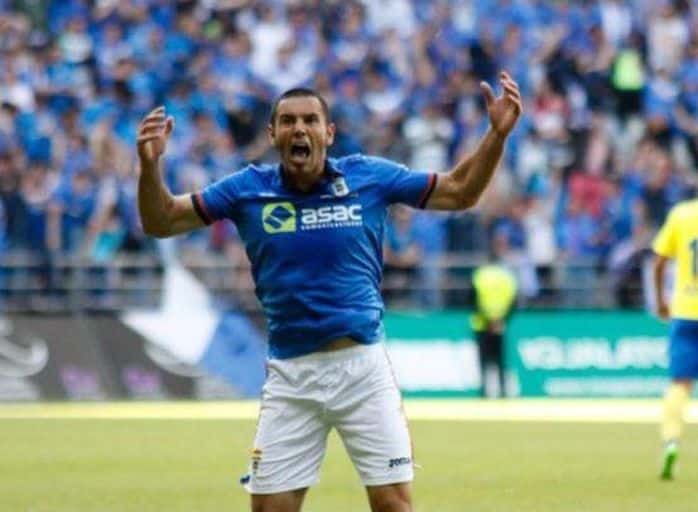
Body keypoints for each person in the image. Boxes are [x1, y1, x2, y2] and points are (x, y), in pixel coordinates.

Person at [136, 72, 522, 512]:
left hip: (363, 372)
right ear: (273, 134)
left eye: (310, 120)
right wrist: (150, 167)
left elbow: (459, 192)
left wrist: (496, 135)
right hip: (291, 376)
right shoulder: (246, 188)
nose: (299, 129)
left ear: (329, 132)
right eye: (288, 121)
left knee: (394, 505)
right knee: (270, 509)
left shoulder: (369, 178)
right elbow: (160, 221)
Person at [652, 195, 698, 480]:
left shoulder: (681, 214)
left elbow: (658, 263)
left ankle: (671, 441)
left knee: (679, 384)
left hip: (684, 311)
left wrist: (660, 301)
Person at [470, 262, 517, 398]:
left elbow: (473, 299)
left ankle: (484, 392)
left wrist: (488, 319)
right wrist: (501, 319)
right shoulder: (507, 276)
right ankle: (503, 391)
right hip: (500, 324)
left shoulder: (480, 275)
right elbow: (513, 300)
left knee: (483, 361)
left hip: (481, 324)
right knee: (500, 360)